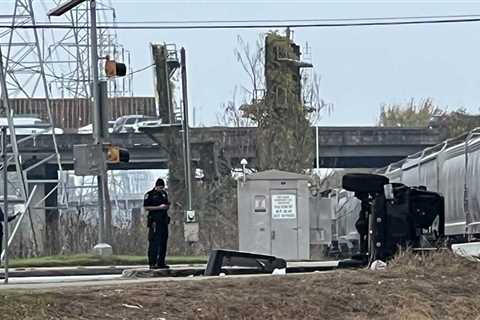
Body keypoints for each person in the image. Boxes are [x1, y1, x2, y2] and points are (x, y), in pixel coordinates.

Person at [143, 178, 171, 269]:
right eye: (160, 187)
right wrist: (159, 207)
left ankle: (161, 262)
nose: (161, 189)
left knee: (163, 242)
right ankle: (152, 263)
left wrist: (166, 207)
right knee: (154, 242)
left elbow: (167, 204)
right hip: (154, 221)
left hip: (163, 221)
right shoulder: (149, 195)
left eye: (162, 187)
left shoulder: (164, 194)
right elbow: (146, 207)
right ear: (156, 186)